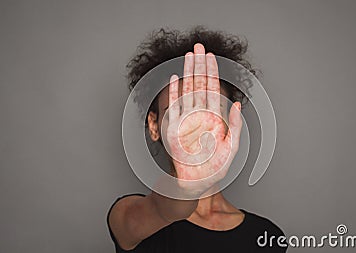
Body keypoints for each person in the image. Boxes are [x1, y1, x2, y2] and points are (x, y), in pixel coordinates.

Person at [107, 26, 287, 252]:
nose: (197, 125)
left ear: (231, 123)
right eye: (182, 110)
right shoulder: (128, 217)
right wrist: (188, 188)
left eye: (210, 109)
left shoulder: (267, 236)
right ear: (154, 125)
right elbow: (164, 210)